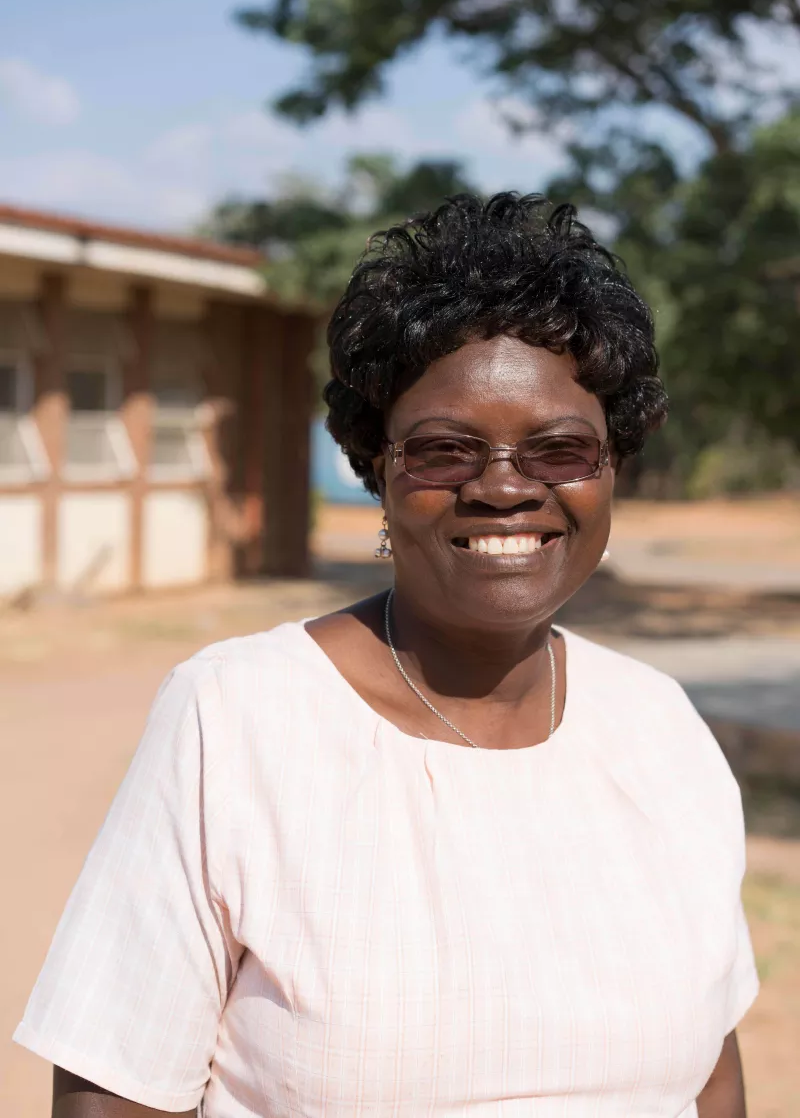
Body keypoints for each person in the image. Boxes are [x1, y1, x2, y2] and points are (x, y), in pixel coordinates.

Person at [17, 195, 757, 1118]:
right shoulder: (238, 719)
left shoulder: (660, 728)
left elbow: (714, 1080)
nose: (503, 488)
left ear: (611, 468)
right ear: (378, 469)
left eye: (559, 449)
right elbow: (113, 1094)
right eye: (445, 450)